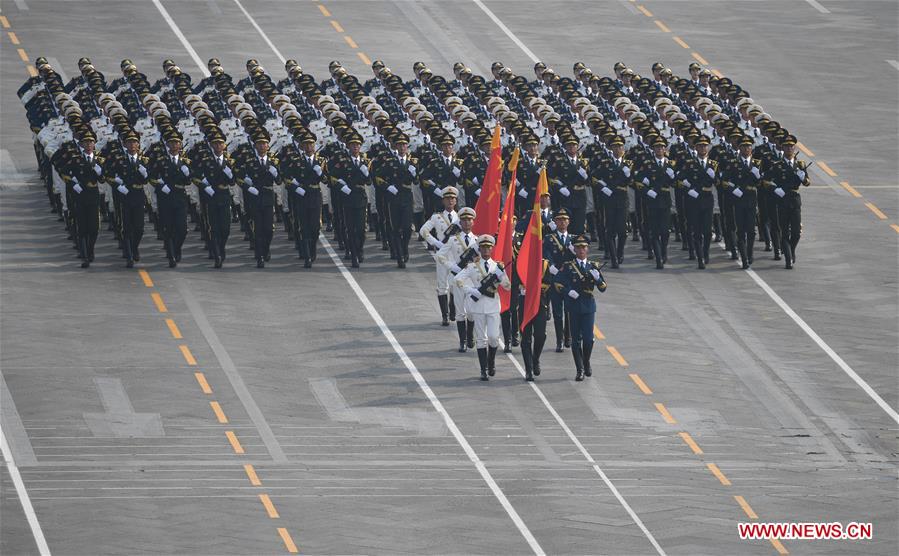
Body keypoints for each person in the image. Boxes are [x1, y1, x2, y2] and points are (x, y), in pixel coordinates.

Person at [454, 234, 511, 381]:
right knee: (481, 339)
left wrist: (501, 277)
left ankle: (491, 360)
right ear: (479, 249)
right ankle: (483, 369)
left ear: (492, 249)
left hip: (493, 306)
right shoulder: (473, 266)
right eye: (483, 248)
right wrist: (472, 290)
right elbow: (457, 279)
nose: (486, 250)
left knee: (493, 338)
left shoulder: (498, 266)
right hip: (478, 306)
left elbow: (508, 287)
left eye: (488, 248)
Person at [554, 235, 606, 381]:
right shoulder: (569, 267)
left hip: (588, 306)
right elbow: (558, 283)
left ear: (587, 249)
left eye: (584, 247)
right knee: (576, 339)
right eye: (578, 247)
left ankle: (586, 361)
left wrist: (598, 278)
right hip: (574, 306)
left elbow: (603, 288)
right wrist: (568, 291)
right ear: (575, 249)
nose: (581, 250)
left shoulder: (593, 266)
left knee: (588, 339)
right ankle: (580, 369)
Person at [59, 131, 105, 268]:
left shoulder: (99, 160)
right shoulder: (76, 159)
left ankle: (90, 249)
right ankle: (85, 256)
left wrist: (99, 171)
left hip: (93, 195)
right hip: (80, 195)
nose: (89, 145)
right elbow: (64, 172)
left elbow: (103, 179)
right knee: (82, 227)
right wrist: (74, 184)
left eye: (91, 142)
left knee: (95, 228)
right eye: (86, 142)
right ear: (81, 144)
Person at [437, 207, 479, 352]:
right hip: (458, 279)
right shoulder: (453, 239)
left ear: (473, 222)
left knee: (472, 312)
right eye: (464, 220)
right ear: (460, 222)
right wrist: (452, 267)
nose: (467, 222)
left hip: (472, 281)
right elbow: (440, 256)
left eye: (469, 220)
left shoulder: (478, 241)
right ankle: (463, 341)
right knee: (461, 313)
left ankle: (470, 335)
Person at [765, 135, 809, 269]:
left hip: (795, 200)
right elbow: (766, 181)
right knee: (784, 231)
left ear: (794, 148)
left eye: (791, 146)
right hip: (782, 200)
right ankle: (788, 259)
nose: (789, 148)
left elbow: (807, 182)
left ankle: (791, 250)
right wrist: (776, 189)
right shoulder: (777, 165)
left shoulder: (800, 165)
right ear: (782, 148)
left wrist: (803, 177)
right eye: (787, 146)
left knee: (796, 232)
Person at [238, 133, 281, 268]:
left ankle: (266, 249)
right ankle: (260, 256)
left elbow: (279, 181)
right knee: (258, 229)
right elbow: (239, 178)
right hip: (255, 197)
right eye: (259, 143)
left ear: (268, 146)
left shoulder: (273, 162)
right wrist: (248, 187)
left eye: (264, 143)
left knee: (268, 229)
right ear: (255, 146)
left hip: (268, 197)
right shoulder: (249, 162)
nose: (262, 146)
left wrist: (276, 173)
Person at [149, 134, 192, 268]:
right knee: (168, 228)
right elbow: (152, 177)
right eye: (171, 143)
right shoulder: (161, 160)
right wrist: (161, 186)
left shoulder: (185, 162)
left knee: (182, 229)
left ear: (180, 145)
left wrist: (187, 173)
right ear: (167, 145)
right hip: (166, 197)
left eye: (177, 142)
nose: (174, 145)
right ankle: (171, 255)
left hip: (180, 197)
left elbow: (189, 180)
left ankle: (177, 248)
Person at [419, 187, 460, 325]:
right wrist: (436, 243)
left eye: (453, 198)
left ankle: (453, 309)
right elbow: (423, 230)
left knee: (455, 284)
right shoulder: (437, 217)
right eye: (448, 198)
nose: (450, 201)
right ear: (443, 200)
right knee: (442, 286)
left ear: (456, 201)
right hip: (443, 256)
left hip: (456, 256)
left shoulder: (461, 217)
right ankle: (445, 315)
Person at [635, 137, 677, 269]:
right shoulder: (648, 164)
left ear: (665, 149)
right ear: (653, 149)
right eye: (657, 147)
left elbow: (676, 183)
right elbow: (638, 181)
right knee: (654, 231)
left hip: (665, 200)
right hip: (652, 202)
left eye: (662, 147)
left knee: (665, 231)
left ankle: (664, 252)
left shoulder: (670, 164)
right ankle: (658, 258)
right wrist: (648, 191)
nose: (659, 149)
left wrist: (673, 176)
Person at [110, 131, 150, 268]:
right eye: (129, 142)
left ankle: (134, 247)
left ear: (138, 144)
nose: (132, 145)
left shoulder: (144, 160)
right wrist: (118, 185)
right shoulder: (120, 159)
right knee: (126, 226)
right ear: (125, 144)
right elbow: (109, 174)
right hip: (125, 195)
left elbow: (147, 179)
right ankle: (129, 255)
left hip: (138, 194)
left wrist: (145, 173)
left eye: (135, 142)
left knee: (139, 228)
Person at [197, 134, 236, 268]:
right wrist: (206, 187)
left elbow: (232, 181)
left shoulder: (229, 161)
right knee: (214, 227)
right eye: (215, 143)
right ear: (212, 145)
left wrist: (230, 173)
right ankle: (217, 254)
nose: (218, 146)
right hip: (212, 195)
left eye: (221, 143)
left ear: (224, 145)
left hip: (224, 195)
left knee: (225, 228)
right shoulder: (206, 160)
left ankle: (221, 246)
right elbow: (197, 177)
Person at [724, 136, 763, 269]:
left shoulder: (756, 163)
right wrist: (734, 189)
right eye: (744, 146)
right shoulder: (733, 163)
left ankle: (750, 253)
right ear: (739, 148)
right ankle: (744, 258)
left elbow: (761, 183)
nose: (746, 148)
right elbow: (725, 181)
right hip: (739, 199)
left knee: (751, 230)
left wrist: (758, 175)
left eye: (749, 146)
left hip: (751, 199)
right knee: (741, 231)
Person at [543, 208, 574, 352]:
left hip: (568, 280)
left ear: (568, 222)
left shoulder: (573, 239)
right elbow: (546, 255)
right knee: (557, 312)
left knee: (569, 310)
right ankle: (559, 340)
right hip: (555, 279)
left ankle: (568, 337)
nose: (562, 222)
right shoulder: (549, 238)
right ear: (555, 222)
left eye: (565, 220)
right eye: (559, 220)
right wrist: (552, 267)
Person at [518, 258, 552, 381]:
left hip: (539, 304)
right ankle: (528, 369)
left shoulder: (544, 263)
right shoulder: (521, 261)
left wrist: (534, 286)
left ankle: (535, 358)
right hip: (524, 305)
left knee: (540, 335)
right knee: (525, 338)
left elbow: (548, 283)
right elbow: (516, 281)